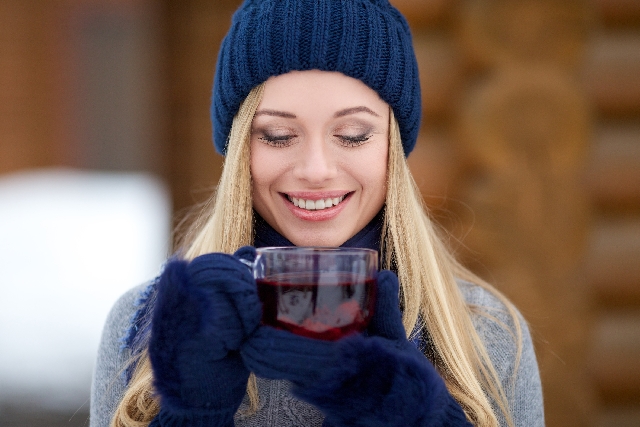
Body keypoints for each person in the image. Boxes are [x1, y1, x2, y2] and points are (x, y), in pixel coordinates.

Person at [90, 1, 544, 426]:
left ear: (392, 149)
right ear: (239, 151)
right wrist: (190, 415)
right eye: (277, 135)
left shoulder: (487, 336)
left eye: (351, 134)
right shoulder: (148, 329)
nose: (315, 171)